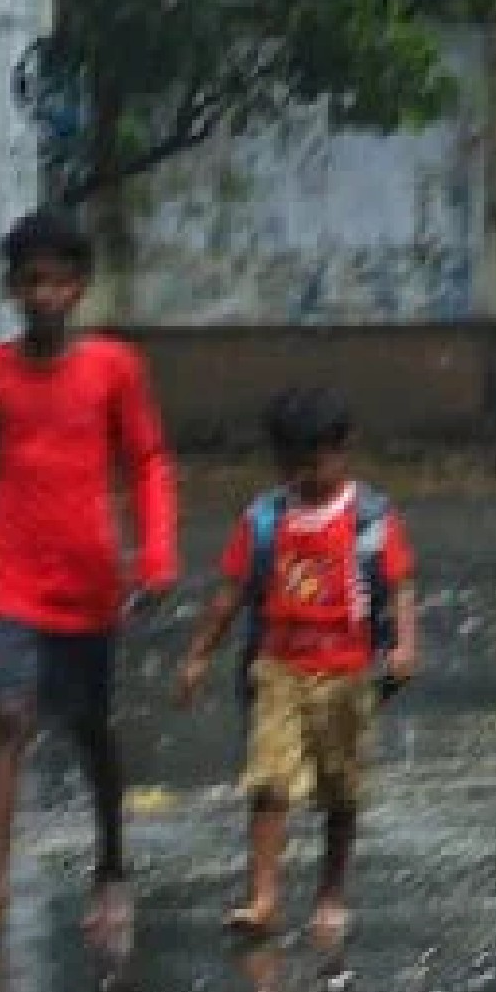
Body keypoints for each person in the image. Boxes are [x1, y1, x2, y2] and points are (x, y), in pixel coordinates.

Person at [0, 208, 179, 944]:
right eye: (29, 283)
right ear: (12, 291)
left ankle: (112, 864)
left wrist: (155, 553)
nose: (43, 295)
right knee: (8, 718)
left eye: (56, 281)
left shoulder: (113, 369)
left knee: (90, 730)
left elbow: (147, 460)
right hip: (12, 576)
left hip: (88, 582)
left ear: (80, 288)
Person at [177, 385, 421, 947]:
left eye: (314, 462)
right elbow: (230, 593)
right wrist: (197, 656)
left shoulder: (371, 519)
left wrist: (405, 647)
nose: (305, 477)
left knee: (341, 788)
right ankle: (263, 896)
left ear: (343, 451)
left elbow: (401, 586)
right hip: (278, 670)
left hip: (349, 671)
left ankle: (331, 893)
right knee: (269, 780)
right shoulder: (265, 519)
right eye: (293, 465)